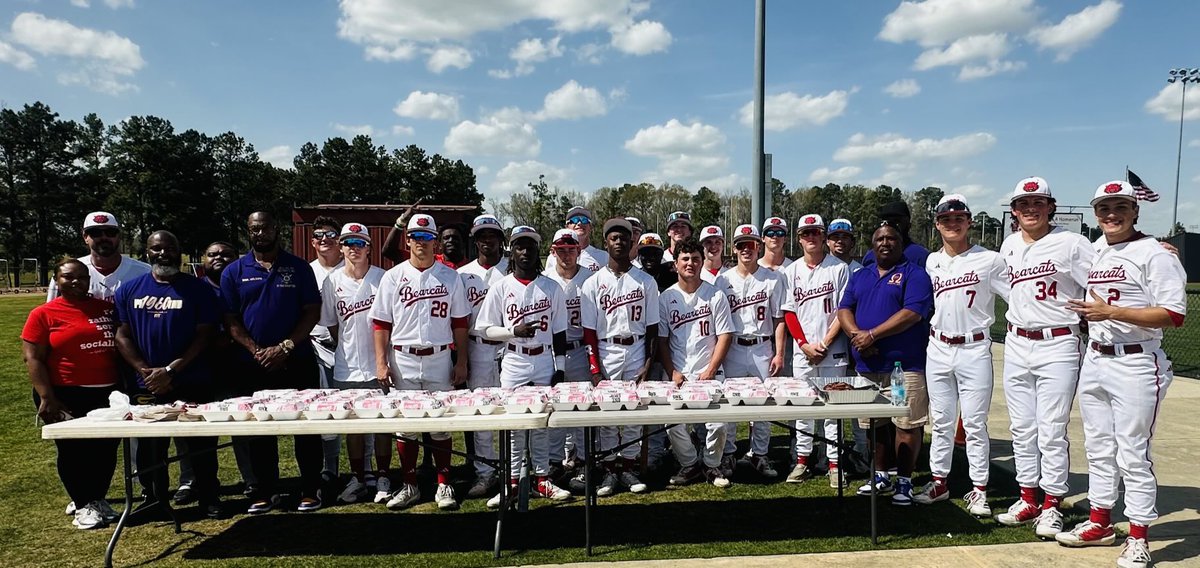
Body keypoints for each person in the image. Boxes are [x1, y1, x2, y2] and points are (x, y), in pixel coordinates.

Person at [1053, 181, 1188, 568]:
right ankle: (1100, 522)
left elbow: (1173, 314)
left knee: (1133, 451)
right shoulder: (1095, 249)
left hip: (1137, 360)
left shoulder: (1155, 254)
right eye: (1104, 209)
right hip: (1096, 357)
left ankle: (1139, 534)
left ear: (1135, 211)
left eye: (1119, 208)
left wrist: (1113, 313)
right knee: (1097, 446)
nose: (1111, 215)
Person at [995, 177, 1094, 538]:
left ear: (1051, 206)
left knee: (1051, 430)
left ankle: (1052, 503)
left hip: (1058, 342)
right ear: (1014, 211)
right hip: (1017, 342)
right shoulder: (1008, 245)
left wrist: (1153, 248)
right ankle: (1027, 497)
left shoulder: (1072, 243)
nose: (1030, 209)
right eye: (1023, 204)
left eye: (1038, 202)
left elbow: (1104, 274)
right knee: (1022, 428)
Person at [221, 211, 324, 514]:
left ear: (276, 229)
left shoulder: (299, 268)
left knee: (305, 428)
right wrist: (257, 350)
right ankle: (266, 491)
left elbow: (311, 312)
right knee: (259, 431)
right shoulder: (235, 271)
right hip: (253, 365)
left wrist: (285, 347)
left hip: (297, 360)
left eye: (265, 228)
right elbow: (230, 320)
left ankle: (310, 488)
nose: (260, 234)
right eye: (254, 229)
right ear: (248, 232)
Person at [114, 230, 222, 519]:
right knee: (150, 447)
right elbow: (122, 334)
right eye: (157, 248)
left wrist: (172, 369)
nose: (164, 253)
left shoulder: (197, 289)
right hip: (147, 382)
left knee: (201, 443)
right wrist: (145, 370)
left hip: (192, 378)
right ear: (147, 252)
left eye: (170, 248)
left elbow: (205, 334)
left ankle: (209, 496)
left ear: (180, 251)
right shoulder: (129, 289)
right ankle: (154, 499)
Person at [912, 196, 1007, 517]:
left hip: (974, 347)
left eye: (959, 218)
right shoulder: (930, 262)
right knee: (940, 422)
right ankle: (939, 482)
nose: (953, 224)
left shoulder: (991, 260)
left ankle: (979, 489)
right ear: (937, 224)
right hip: (938, 347)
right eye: (946, 219)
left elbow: (1018, 294)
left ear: (969, 222)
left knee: (976, 423)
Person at [370, 213, 470, 511]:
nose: (421, 243)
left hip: (439, 355)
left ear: (435, 241)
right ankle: (410, 484)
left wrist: (461, 360)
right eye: (416, 237)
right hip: (403, 358)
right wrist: (380, 362)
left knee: (441, 424)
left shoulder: (450, 276)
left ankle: (443, 483)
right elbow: (380, 324)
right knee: (407, 426)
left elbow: (461, 323)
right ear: (408, 240)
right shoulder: (393, 276)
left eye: (427, 238)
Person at [477, 226, 573, 507]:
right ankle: (512, 482)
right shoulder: (501, 287)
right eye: (520, 246)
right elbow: (483, 329)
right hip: (515, 359)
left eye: (530, 246)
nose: (525, 252)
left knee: (541, 424)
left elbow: (560, 333)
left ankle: (542, 479)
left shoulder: (551, 287)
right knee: (514, 424)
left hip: (543, 359)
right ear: (512, 251)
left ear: (537, 251)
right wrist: (511, 332)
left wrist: (561, 368)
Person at [838, 222, 933, 506]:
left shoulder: (914, 275)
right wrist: (857, 337)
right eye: (879, 239)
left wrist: (872, 335)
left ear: (901, 243)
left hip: (902, 367)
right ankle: (880, 475)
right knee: (874, 423)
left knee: (906, 423)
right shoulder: (860, 275)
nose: (885, 243)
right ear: (872, 244)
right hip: (867, 365)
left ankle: (903, 481)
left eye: (892, 238)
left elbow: (913, 313)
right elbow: (844, 308)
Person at [22, 259, 121, 529]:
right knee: (73, 452)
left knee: (105, 451)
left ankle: (98, 499)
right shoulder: (44, 314)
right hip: (64, 393)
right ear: (57, 280)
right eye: (68, 277)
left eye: (82, 276)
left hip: (106, 393)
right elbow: (33, 359)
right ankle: (81, 504)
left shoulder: (106, 309)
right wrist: (46, 397)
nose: (76, 281)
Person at [580, 218, 659, 496]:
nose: (619, 242)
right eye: (614, 238)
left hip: (636, 347)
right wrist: (594, 368)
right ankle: (610, 471)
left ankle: (628, 467)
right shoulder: (592, 283)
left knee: (634, 413)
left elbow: (652, 328)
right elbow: (588, 332)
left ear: (632, 243)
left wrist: (648, 363)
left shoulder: (646, 281)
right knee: (609, 415)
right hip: (606, 348)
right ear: (606, 242)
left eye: (624, 238)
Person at [318, 223, 391, 505]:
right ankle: (360, 477)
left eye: (360, 243)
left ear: (369, 247)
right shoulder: (332, 282)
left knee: (383, 423)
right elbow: (333, 326)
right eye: (348, 243)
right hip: (346, 364)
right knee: (354, 426)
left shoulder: (383, 279)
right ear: (341, 247)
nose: (354, 248)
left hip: (379, 364)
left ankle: (383, 476)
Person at [658, 238, 735, 488]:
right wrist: (672, 371)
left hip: (709, 371)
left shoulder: (715, 294)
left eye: (695, 259)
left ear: (702, 262)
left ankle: (712, 465)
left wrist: (711, 369)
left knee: (719, 424)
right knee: (673, 424)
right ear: (675, 264)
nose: (690, 263)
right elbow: (662, 339)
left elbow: (725, 334)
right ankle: (690, 464)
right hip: (680, 372)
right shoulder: (666, 297)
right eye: (685, 259)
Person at [781, 214, 851, 488]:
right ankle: (803, 461)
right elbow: (789, 313)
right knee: (804, 410)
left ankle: (835, 465)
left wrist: (824, 344)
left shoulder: (839, 268)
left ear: (824, 237)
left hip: (833, 350)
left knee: (833, 410)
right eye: (806, 233)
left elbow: (844, 311)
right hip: (803, 351)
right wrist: (803, 344)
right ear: (799, 239)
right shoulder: (792, 270)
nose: (811, 238)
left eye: (815, 233)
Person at [719, 224, 786, 480]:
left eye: (751, 244)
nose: (746, 249)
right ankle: (729, 454)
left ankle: (760, 454)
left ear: (759, 246)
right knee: (731, 403)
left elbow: (779, 318)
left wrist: (779, 353)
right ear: (734, 248)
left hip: (761, 346)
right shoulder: (723, 279)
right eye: (741, 244)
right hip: (734, 346)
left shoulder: (773, 278)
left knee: (764, 404)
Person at [196, 241, 258, 497]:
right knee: (199, 430)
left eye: (226, 254)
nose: (219, 258)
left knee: (242, 426)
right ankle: (195, 482)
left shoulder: (246, 283)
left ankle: (252, 478)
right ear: (202, 260)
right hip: (202, 367)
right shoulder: (194, 289)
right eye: (212, 254)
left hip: (239, 365)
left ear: (237, 258)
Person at [459, 214, 509, 500]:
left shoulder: (512, 270)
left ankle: (512, 470)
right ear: (475, 241)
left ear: (501, 240)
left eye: (492, 235)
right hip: (478, 346)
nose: (487, 241)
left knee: (512, 409)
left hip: (509, 348)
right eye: (481, 236)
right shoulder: (464, 274)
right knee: (482, 409)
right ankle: (485, 472)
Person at [543, 229, 595, 492]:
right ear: (553, 251)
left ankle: (585, 462)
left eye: (570, 249)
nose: (566, 254)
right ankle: (554, 462)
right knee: (555, 409)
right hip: (555, 352)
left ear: (579, 250)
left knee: (585, 409)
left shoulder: (591, 278)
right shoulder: (546, 279)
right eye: (561, 249)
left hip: (583, 349)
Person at [308, 216, 345, 486]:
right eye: (319, 235)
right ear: (312, 242)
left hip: (351, 350)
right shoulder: (306, 271)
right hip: (318, 346)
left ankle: (363, 470)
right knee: (325, 411)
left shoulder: (355, 268)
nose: (325, 239)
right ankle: (330, 467)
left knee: (357, 411)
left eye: (331, 234)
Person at [47, 211, 150, 303]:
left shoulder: (145, 272)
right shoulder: (66, 273)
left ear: (119, 236)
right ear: (85, 237)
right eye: (95, 233)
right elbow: (50, 311)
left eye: (110, 232)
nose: (104, 237)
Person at [862, 201, 930, 268]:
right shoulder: (871, 256)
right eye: (886, 222)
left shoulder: (921, 255)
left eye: (896, 221)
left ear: (908, 225)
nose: (891, 226)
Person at [546, 206, 608, 273]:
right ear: (567, 227)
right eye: (574, 220)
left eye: (584, 220)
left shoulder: (604, 257)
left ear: (590, 227)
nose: (579, 223)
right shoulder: (553, 257)